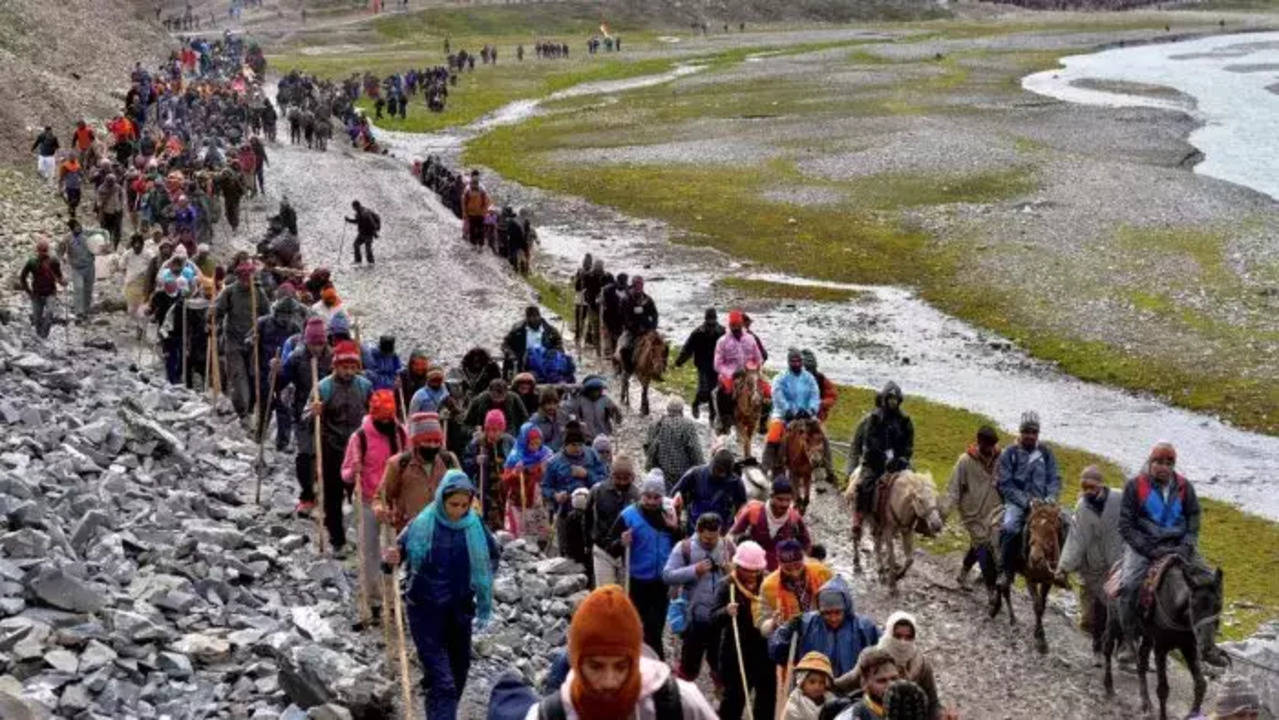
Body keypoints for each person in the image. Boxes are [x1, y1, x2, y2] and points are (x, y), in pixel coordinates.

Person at [384, 471, 500, 720]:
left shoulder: (475, 525)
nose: (458, 511)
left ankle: (437, 712)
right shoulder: (422, 523)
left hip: (460, 610)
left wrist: (482, 579)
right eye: (453, 504)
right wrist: (390, 557)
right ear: (441, 500)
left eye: (464, 505)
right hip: (425, 610)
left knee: (459, 672)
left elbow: (493, 556)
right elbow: (398, 554)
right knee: (443, 680)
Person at [523, 585, 717, 720]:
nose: (609, 681)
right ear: (575, 661)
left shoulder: (680, 704)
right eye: (596, 666)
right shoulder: (548, 715)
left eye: (621, 666)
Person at [1116, 441, 1228, 665]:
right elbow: (1125, 525)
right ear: (1151, 462)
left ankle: (1209, 643)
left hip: (1179, 544)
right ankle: (1129, 642)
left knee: (1211, 582)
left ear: (1173, 465)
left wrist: (1186, 545)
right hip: (1145, 546)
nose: (1163, 467)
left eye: (1168, 463)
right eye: (1158, 462)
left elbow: (1194, 521)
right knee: (1128, 584)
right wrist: (1148, 549)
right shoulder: (1134, 486)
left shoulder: (1185, 488)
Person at [341, 389, 406, 617]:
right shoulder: (359, 437)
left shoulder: (399, 433)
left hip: (392, 501)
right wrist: (354, 470)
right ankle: (373, 600)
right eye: (383, 419)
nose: (387, 422)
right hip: (368, 500)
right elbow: (345, 474)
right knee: (370, 553)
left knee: (391, 552)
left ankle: (392, 598)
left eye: (391, 417)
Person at [609, 472, 682, 660]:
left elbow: (680, 545)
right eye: (647, 497)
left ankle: (653, 664)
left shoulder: (668, 513)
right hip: (637, 581)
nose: (651, 501)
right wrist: (621, 542)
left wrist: (675, 528)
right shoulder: (628, 516)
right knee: (638, 624)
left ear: (662, 497)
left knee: (655, 627)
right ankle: (649, 662)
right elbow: (610, 546)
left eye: (656, 497)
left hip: (662, 581)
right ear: (641, 495)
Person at [312, 340, 373, 553]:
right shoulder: (323, 387)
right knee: (333, 495)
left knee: (361, 494)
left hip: (358, 449)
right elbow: (305, 416)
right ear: (335, 366)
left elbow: (373, 415)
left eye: (352, 367)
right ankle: (337, 539)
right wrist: (314, 411)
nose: (348, 372)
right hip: (332, 448)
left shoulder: (364, 386)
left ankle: (363, 539)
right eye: (344, 367)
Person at [1059, 465, 1123, 663]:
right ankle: (1097, 649)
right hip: (1094, 566)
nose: (1088, 491)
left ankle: (1123, 648)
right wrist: (1064, 567)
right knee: (1098, 610)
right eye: (1084, 487)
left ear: (1101, 485)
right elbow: (1076, 539)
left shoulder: (1119, 499)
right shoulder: (1082, 507)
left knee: (1122, 608)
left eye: (1092, 487)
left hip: (1117, 563)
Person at [662, 512, 734, 682]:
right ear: (699, 531)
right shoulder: (684, 547)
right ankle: (684, 701)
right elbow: (667, 575)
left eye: (714, 539)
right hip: (693, 617)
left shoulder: (728, 547)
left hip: (721, 617)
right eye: (706, 539)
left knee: (721, 668)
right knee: (688, 667)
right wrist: (694, 571)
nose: (710, 543)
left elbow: (743, 574)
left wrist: (732, 572)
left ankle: (721, 701)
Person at [995, 411, 1060, 591]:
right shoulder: (1010, 453)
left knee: (1065, 524)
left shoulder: (1046, 453)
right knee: (1009, 527)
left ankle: (1059, 570)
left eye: (1034, 432)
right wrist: (1026, 502)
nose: (1031, 436)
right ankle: (1005, 572)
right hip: (1017, 503)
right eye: (1027, 432)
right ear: (1020, 432)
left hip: (1043, 504)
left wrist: (1051, 497)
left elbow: (1054, 478)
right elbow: (1005, 484)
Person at [834, 612, 943, 719]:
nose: (902, 642)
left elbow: (932, 701)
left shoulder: (921, 663)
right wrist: (827, 684)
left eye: (908, 637)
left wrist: (940, 715)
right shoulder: (872, 656)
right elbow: (850, 680)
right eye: (898, 636)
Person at [770, 576, 879, 680]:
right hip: (815, 690)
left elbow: (884, 650)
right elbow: (777, 653)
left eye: (838, 612)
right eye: (826, 613)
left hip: (855, 688)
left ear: (846, 608)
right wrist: (786, 632)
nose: (833, 618)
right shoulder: (806, 624)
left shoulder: (864, 626)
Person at [710, 540, 773, 720]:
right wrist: (726, 612)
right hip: (736, 653)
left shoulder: (769, 584)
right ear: (738, 566)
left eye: (756, 570)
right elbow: (712, 618)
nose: (752, 574)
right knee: (733, 702)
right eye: (747, 570)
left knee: (766, 701)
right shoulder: (727, 585)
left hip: (764, 653)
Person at [279, 318, 333, 515]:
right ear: (307, 341)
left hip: (328, 415)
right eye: (313, 344)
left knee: (325, 454)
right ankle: (307, 495)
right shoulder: (296, 357)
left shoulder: (333, 358)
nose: (317, 348)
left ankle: (324, 493)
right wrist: (275, 373)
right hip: (302, 413)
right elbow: (281, 383)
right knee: (304, 454)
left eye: (320, 344)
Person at [848, 382, 914, 538]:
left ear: (899, 400)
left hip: (898, 463)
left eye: (895, 399)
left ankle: (911, 521)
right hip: (874, 462)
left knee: (915, 486)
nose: (892, 402)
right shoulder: (874, 418)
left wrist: (903, 458)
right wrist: (883, 456)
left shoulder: (905, 420)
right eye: (890, 398)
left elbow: (909, 443)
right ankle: (858, 519)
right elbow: (871, 441)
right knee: (864, 485)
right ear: (884, 399)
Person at [941, 426, 1002, 592]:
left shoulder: (1000, 459)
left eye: (992, 446)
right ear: (979, 443)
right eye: (987, 446)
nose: (990, 450)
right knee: (982, 545)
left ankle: (962, 574)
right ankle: (991, 591)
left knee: (980, 545)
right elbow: (953, 489)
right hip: (972, 513)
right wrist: (943, 514)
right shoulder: (965, 462)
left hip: (994, 512)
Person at [377, 412, 460, 533]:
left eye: (436, 441)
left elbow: (464, 491)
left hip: (444, 530)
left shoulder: (448, 461)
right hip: (409, 531)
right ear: (416, 442)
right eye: (427, 441)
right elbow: (381, 497)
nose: (432, 446)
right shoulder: (399, 464)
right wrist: (380, 509)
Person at [214, 263, 271, 420]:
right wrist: (213, 323)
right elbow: (218, 310)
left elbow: (268, 315)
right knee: (238, 376)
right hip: (233, 340)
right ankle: (242, 411)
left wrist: (261, 331)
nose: (247, 281)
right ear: (238, 277)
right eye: (244, 278)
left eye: (249, 278)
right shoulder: (230, 292)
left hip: (252, 342)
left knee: (253, 376)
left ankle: (251, 409)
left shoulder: (259, 293)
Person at [544, 422, 607, 557]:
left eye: (580, 444)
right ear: (566, 445)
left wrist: (587, 474)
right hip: (565, 512)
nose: (578, 448)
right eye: (574, 445)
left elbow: (604, 480)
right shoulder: (554, 462)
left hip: (591, 512)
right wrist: (555, 495)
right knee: (567, 551)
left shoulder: (592, 455)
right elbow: (545, 487)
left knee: (591, 549)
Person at [730, 479, 812, 571]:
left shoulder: (794, 518)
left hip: (778, 572)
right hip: (753, 569)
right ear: (771, 496)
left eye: (788, 500)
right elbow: (733, 536)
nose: (784, 504)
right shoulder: (753, 511)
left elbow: (806, 543)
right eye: (780, 499)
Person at [762, 348, 821, 472]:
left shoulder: (809, 378)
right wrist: (788, 410)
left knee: (821, 434)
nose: (796, 364)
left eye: (799, 361)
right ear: (788, 362)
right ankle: (766, 466)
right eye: (793, 362)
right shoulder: (780, 377)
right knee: (774, 434)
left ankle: (826, 471)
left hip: (806, 415)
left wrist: (811, 409)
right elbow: (777, 394)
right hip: (785, 415)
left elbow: (815, 395)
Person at [587, 454, 639, 588]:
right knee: (606, 593)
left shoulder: (637, 495)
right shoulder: (598, 491)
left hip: (626, 552)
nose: (622, 482)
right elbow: (587, 518)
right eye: (618, 478)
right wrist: (589, 543)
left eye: (626, 478)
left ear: (632, 477)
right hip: (603, 550)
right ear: (611, 475)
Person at [759, 539, 832, 634]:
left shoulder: (822, 572)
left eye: (798, 566)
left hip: (824, 630)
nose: (795, 573)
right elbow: (762, 625)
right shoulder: (768, 586)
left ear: (803, 560)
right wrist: (772, 624)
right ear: (779, 563)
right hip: (791, 638)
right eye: (788, 568)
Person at [713, 309, 765, 434]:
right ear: (729, 325)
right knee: (721, 393)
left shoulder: (750, 339)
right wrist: (730, 373)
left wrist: (756, 369)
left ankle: (763, 420)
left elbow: (759, 358)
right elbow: (717, 364)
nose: (735, 328)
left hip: (750, 372)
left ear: (742, 324)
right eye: (733, 326)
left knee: (767, 390)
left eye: (737, 325)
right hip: (731, 374)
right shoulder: (722, 341)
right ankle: (723, 420)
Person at [462, 410, 516, 531]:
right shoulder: (477, 443)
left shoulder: (510, 442)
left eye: (496, 430)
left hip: (505, 491)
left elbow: (517, 459)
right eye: (489, 430)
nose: (492, 434)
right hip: (484, 490)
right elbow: (465, 465)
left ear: (502, 430)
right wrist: (475, 461)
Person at [670, 449, 745, 534]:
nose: (719, 474)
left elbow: (743, 506)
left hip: (720, 530)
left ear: (729, 471)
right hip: (695, 527)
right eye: (717, 469)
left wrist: (732, 525)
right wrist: (680, 515)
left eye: (723, 471)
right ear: (713, 464)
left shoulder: (735, 482)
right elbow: (675, 494)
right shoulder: (696, 473)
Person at [502, 425, 553, 545]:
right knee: (520, 538)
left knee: (542, 536)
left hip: (537, 501)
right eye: (532, 444)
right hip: (518, 502)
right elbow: (506, 480)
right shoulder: (515, 458)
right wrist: (516, 472)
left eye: (538, 444)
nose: (535, 448)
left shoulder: (545, 454)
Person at [643, 398, 704, 493]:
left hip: (660, 474)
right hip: (682, 475)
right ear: (681, 410)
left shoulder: (655, 424)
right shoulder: (687, 425)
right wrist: (702, 470)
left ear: (668, 409)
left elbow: (647, 447)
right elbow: (695, 450)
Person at [675, 308, 725, 421]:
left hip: (717, 367)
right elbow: (688, 348)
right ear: (706, 319)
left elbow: (728, 348)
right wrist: (680, 361)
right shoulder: (698, 332)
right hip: (702, 365)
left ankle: (712, 416)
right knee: (704, 389)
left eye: (713, 320)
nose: (711, 323)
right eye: (709, 320)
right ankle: (695, 404)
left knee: (714, 392)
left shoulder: (722, 332)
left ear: (716, 319)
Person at [19, 239, 64, 338]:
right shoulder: (31, 262)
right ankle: (40, 338)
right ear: (37, 251)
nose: (43, 253)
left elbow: (59, 276)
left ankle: (44, 336)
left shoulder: (53, 261)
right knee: (37, 319)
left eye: (45, 251)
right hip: (36, 294)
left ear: (48, 250)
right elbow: (22, 277)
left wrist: (62, 282)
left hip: (50, 292)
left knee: (50, 312)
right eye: (41, 251)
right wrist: (29, 292)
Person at [835, 649, 899, 720]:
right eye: (882, 681)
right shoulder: (853, 715)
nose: (891, 685)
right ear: (864, 683)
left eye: (894, 679)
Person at [502, 305, 564, 378]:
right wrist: (510, 354)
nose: (533, 319)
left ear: (539, 316)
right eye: (530, 317)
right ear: (526, 318)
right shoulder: (517, 330)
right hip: (522, 362)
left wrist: (553, 353)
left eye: (535, 316)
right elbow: (505, 344)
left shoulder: (550, 331)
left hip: (543, 363)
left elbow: (559, 345)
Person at [562, 375, 622, 443]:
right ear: (587, 390)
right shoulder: (579, 400)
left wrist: (616, 412)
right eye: (592, 390)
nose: (595, 393)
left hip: (603, 436)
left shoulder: (606, 401)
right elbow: (564, 410)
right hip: (586, 438)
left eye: (597, 390)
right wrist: (572, 394)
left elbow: (618, 419)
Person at [463, 378, 529, 439]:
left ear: (506, 392)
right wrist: (472, 433)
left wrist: (520, 434)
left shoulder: (514, 399)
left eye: (501, 397)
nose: (498, 400)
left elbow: (525, 419)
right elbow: (465, 425)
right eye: (495, 397)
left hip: (509, 434)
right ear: (489, 392)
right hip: (484, 436)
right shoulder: (478, 401)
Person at [614, 276, 658, 366]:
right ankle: (626, 369)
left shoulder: (648, 300)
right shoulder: (626, 300)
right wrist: (631, 327)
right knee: (625, 348)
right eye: (637, 285)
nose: (639, 287)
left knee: (660, 346)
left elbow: (654, 314)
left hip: (647, 329)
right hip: (631, 330)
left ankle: (659, 368)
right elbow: (622, 316)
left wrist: (653, 326)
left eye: (640, 285)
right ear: (633, 285)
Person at [60, 219, 95, 321]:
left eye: (79, 225)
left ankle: (86, 310)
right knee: (79, 288)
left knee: (88, 289)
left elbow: (101, 236)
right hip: (76, 268)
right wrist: (62, 258)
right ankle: (79, 312)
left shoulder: (87, 235)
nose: (79, 227)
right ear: (72, 229)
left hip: (89, 266)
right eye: (76, 226)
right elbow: (60, 250)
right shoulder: (67, 239)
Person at [784, 652, 835, 720]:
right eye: (812, 682)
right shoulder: (795, 700)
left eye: (822, 682)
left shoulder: (831, 700)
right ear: (802, 682)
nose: (817, 687)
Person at [525, 387, 566, 452]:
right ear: (542, 404)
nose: (552, 407)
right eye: (549, 404)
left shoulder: (563, 416)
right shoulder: (534, 420)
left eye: (554, 403)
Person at [344, 200, 381, 265]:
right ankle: (358, 260)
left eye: (353, 207)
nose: (353, 209)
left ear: (356, 206)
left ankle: (371, 262)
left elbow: (372, 223)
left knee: (367, 248)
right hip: (362, 233)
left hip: (369, 233)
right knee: (356, 244)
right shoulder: (358, 213)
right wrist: (349, 220)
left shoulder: (365, 213)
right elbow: (358, 221)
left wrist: (375, 233)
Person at [462, 170, 489, 250]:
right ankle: (473, 244)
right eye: (474, 176)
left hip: (480, 213)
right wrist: (464, 212)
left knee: (481, 230)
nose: (476, 178)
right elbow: (464, 201)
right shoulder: (467, 188)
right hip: (471, 213)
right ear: (472, 176)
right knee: (472, 229)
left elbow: (485, 200)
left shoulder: (482, 188)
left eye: (477, 176)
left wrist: (485, 211)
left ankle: (480, 245)